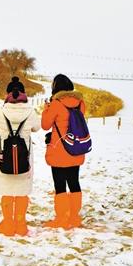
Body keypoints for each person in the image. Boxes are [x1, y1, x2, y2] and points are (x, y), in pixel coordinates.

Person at [0, 77, 40, 236]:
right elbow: (37, 128)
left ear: (8, 94)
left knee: (6, 190)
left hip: (4, 156)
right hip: (23, 157)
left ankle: (7, 224)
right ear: (23, 94)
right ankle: (20, 225)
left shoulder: (1, 112)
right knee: (22, 191)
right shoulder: (30, 112)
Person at [41, 74, 86, 229]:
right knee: (74, 182)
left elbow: (45, 125)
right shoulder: (80, 103)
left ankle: (61, 218)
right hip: (75, 148)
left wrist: (46, 108)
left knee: (60, 184)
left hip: (59, 150)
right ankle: (74, 217)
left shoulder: (56, 104)